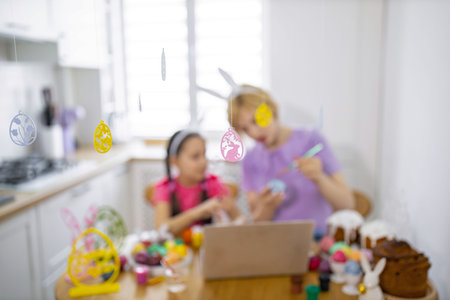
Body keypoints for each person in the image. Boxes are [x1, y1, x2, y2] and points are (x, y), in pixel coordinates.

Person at [227, 85, 354, 232]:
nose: (254, 133)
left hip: (319, 242)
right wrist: (266, 208)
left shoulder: (312, 140)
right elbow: (258, 223)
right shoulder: (250, 159)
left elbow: (347, 204)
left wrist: (319, 178)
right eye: (245, 129)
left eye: (256, 120)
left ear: (271, 109)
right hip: (277, 244)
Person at [153, 130, 241, 235]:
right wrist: (199, 212)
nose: (204, 162)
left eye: (204, 154)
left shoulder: (213, 184)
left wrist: (226, 226)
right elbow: (161, 229)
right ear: (174, 161)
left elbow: (240, 219)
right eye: (195, 156)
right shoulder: (165, 188)